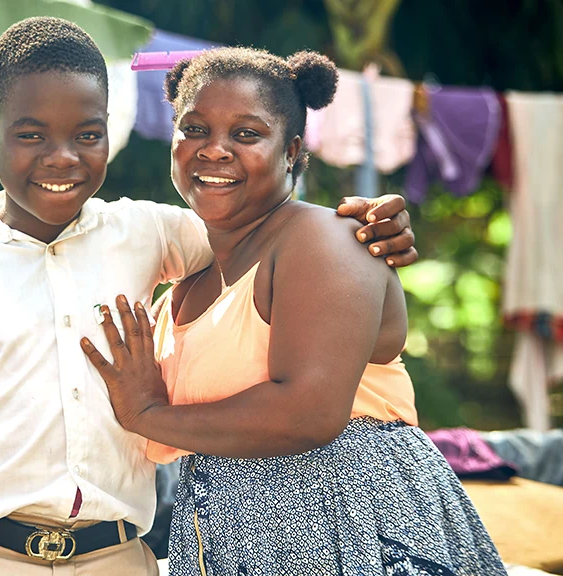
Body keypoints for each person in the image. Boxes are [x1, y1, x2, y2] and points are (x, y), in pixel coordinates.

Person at [0, 17, 415, 576]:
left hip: (127, 554)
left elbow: (267, 233)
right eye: (31, 135)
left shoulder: (150, 233)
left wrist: (369, 229)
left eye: (87, 135)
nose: (61, 157)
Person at [79, 48, 506, 575]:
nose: (213, 150)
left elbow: (307, 413)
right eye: (194, 129)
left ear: (291, 151)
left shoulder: (325, 239)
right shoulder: (187, 282)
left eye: (246, 134)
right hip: (223, 539)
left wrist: (148, 414)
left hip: (347, 527)